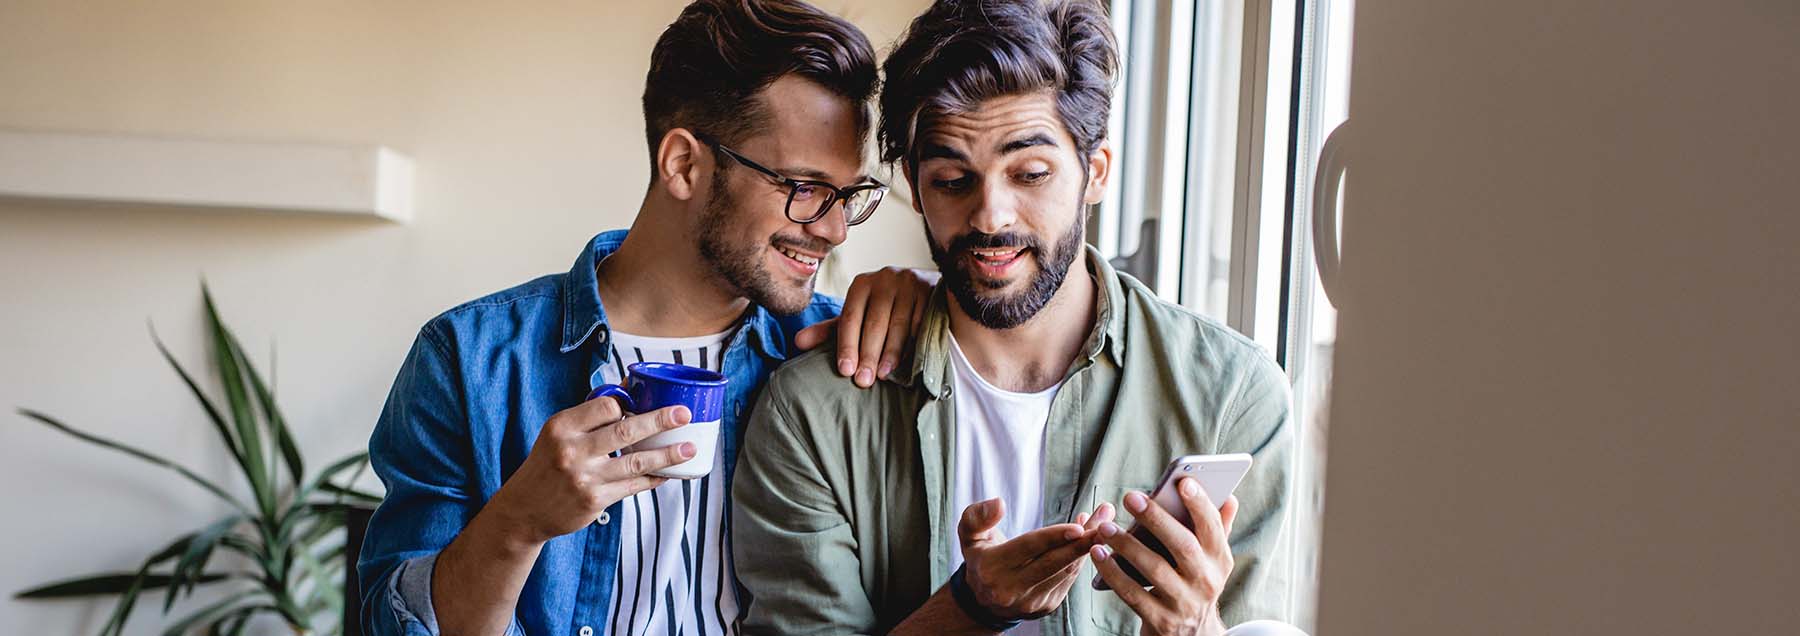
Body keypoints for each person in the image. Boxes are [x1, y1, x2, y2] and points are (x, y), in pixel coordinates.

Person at [356, 1, 933, 635]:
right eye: (804, 187)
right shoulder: (467, 361)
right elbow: (393, 622)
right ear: (684, 164)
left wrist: (932, 295)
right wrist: (518, 524)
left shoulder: (841, 351)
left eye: (847, 195)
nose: (832, 228)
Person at [731, 1, 1305, 635]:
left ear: (1095, 171)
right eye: (952, 181)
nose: (990, 217)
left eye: (1030, 173)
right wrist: (969, 609)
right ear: (915, 189)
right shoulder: (813, 411)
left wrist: (1197, 629)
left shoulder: (1233, 396)